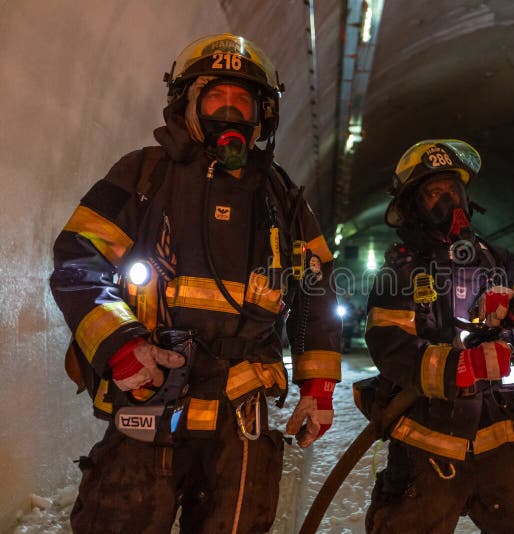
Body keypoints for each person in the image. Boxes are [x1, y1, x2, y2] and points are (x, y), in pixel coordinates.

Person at [49, 34, 341, 533]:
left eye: (242, 101)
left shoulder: (282, 198)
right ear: (186, 104)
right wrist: (121, 345)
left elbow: (315, 292)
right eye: (215, 97)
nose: (229, 113)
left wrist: (318, 387)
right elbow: (79, 259)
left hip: (240, 413)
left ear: (261, 116)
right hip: (151, 394)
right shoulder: (143, 175)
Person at [361, 139, 514, 533]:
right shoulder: (399, 274)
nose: (448, 202)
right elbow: (390, 348)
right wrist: (459, 368)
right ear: (411, 207)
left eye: (453, 190)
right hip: (428, 444)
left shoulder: (496, 258)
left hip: (499, 441)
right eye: (434, 193)